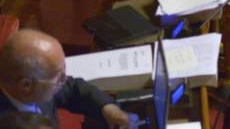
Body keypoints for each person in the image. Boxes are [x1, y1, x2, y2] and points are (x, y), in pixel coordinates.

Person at [0, 29, 132, 127]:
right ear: (26, 85)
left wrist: (109, 109)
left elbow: (73, 88)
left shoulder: (36, 89)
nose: (64, 79)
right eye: (58, 76)